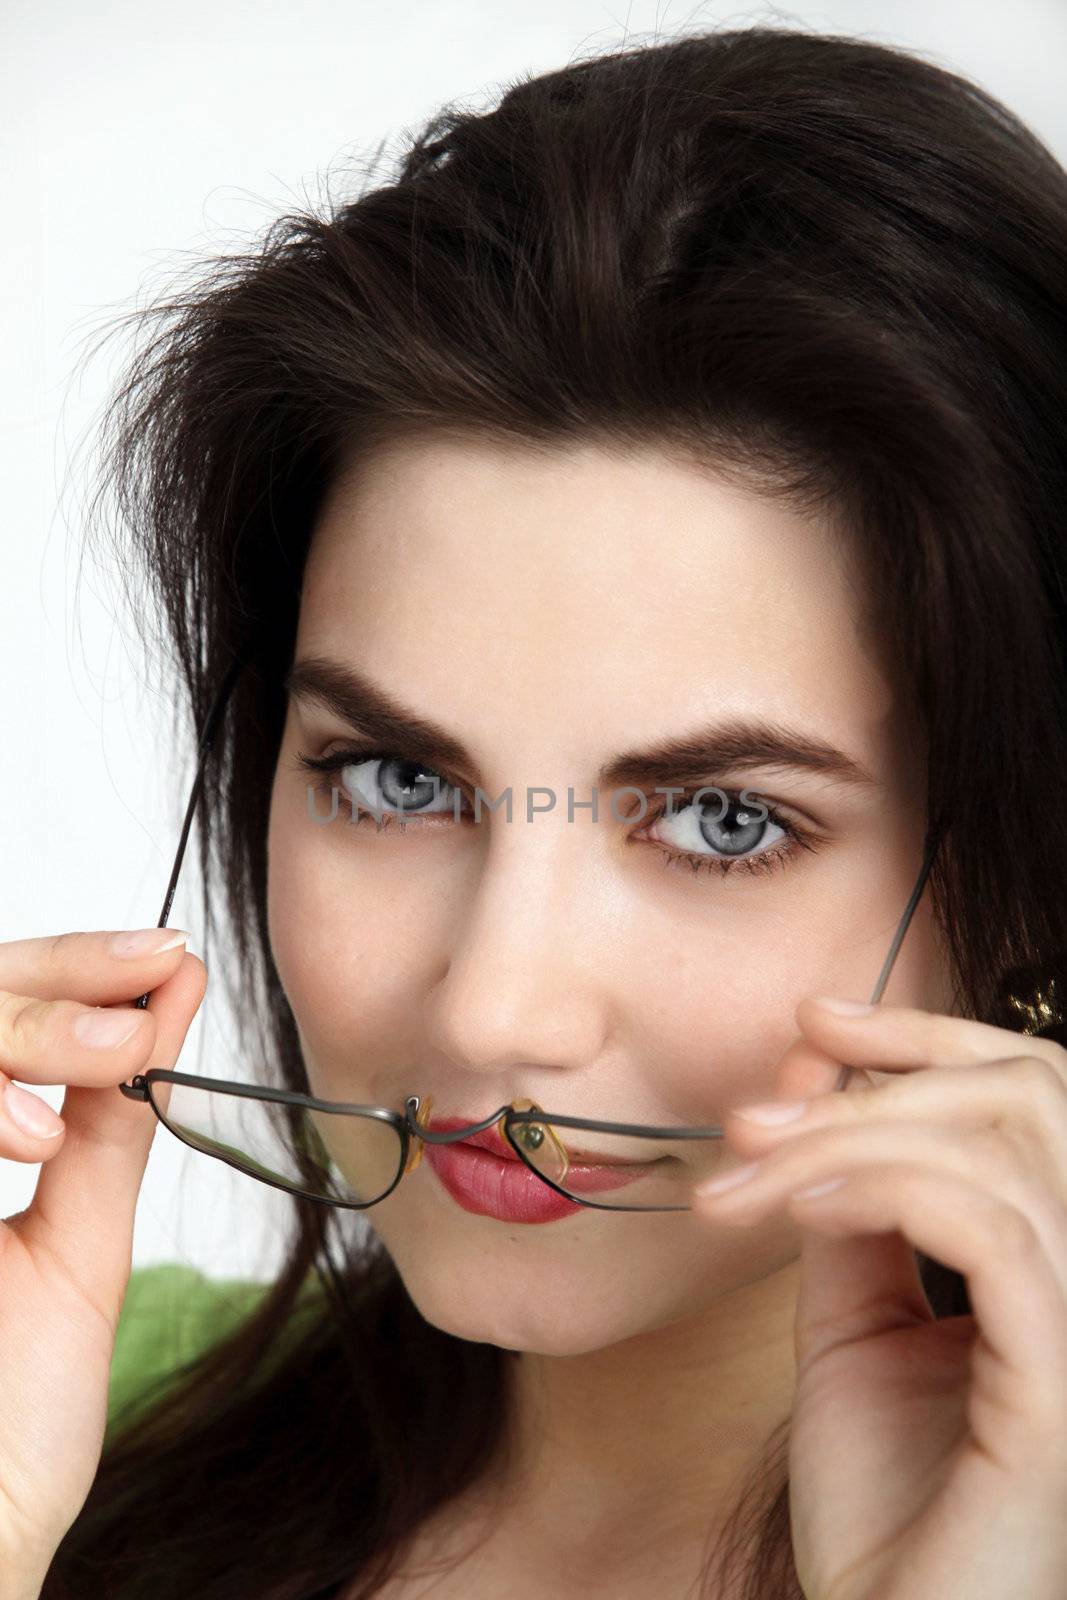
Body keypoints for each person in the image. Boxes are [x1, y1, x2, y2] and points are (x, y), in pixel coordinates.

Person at [6, 21, 1067, 1600]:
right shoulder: (73, 1405)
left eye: (722, 820)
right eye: (399, 781)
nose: (498, 1009)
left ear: (1034, 885)